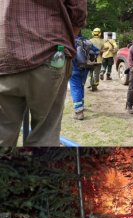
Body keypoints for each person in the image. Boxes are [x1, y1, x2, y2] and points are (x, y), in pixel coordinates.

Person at [0, 0, 86, 146]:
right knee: (45, 135)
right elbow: (78, 11)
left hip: (5, 55)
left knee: (2, 133)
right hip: (50, 53)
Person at [70, 34, 100, 120]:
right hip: (85, 69)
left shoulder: (70, 41)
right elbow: (97, 51)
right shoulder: (86, 41)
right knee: (81, 86)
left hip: (74, 69)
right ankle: (81, 106)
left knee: (75, 88)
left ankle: (79, 112)